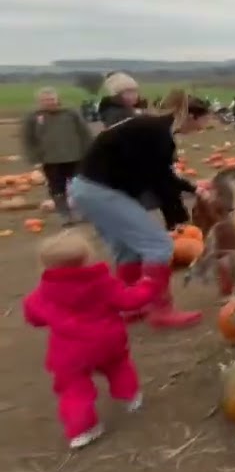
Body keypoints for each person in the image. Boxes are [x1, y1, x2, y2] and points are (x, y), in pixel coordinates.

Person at [69, 91, 214, 329]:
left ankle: (132, 304)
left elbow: (156, 173)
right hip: (102, 191)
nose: (200, 129)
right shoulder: (157, 133)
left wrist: (192, 188)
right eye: (201, 122)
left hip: (88, 188)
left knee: (128, 250)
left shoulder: (150, 127)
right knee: (159, 246)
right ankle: (160, 309)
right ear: (190, 117)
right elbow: (160, 178)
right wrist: (179, 214)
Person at [22, 230, 161, 449]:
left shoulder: (43, 292)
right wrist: (148, 286)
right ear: (87, 259)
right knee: (118, 365)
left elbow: (34, 316)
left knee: (73, 386)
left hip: (69, 351)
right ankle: (130, 395)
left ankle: (83, 429)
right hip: (107, 341)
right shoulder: (101, 281)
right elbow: (127, 300)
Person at [21, 88, 93, 225]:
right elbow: (28, 139)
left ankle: (82, 212)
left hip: (75, 156)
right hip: (50, 159)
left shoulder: (71, 113)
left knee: (79, 186)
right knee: (57, 188)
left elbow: (84, 133)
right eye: (46, 100)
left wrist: (89, 151)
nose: (50, 103)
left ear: (57, 99)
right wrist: (34, 158)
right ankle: (65, 215)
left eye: (52, 99)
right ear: (40, 102)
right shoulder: (34, 116)